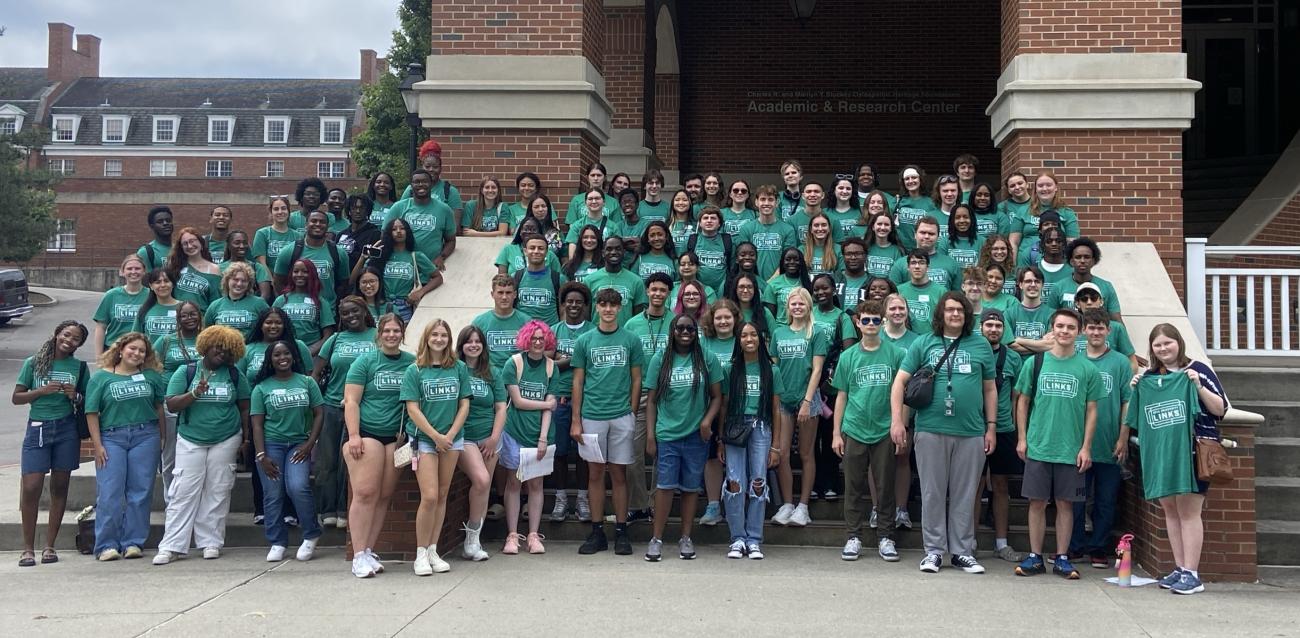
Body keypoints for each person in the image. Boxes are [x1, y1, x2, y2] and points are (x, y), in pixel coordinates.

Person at [891, 292, 998, 575]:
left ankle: (963, 552)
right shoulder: (923, 342)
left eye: (960, 311)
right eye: (949, 310)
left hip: (971, 430)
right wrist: (897, 422)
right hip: (930, 429)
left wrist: (991, 427)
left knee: (965, 493)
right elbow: (900, 382)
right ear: (941, 314)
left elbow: (990, 388)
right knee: (932, 492)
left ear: (967, 315)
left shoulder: (981, 345)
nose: (955, 315)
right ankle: (934, 551)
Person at [1127, 323, 1228, 595]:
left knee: (1188, 511)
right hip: (1162, 453)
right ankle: (1181, 568)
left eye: (1167, 343)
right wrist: (1136, 387)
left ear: (1178, 343)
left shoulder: (1197, 371)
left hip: (1193, 452)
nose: (1163, 349)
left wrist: (1196, 385)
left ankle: (1193, 574)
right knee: (1170, 511)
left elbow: (1221, 409)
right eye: (1158, 345)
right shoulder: (1149, 377)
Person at [1013, 308, 1103, 580]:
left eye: (1071, 327)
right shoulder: (1036, 363)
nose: (1065, 331)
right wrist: (1022, 438)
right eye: (1060, 326)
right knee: (1037, 503)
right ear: (1052, 329)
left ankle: (1062, 558)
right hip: (1039, 445)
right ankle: (1035, 556)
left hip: (1070, 449)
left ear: (1080, 333)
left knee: (1066, 504)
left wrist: (1086, 447)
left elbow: (1092, 410)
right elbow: (1023, 402)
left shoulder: (1087, 368)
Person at [153, 325, 251, 565]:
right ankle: (171, 546)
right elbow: (172, 405)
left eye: (229, 351)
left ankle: (210, 542)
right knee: (183, 490)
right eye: (219, 347)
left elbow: (245, 407)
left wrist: (246, 439)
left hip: (226, 437)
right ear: (206, 346)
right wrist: (194, 393)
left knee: (218, 490)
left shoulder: (235, 375)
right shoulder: (186, 372)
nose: (223, 354)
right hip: (191, 438)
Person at [571, 288, 646, 555]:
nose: (608, 309)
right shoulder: (585, 341)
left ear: (620, 307)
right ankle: (596, 531)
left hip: (621, 415)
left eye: (613, 305)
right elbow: (578, 380)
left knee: (619, 474)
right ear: (597, 308)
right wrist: (576, 420)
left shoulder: (631, 340)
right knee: (595, 474)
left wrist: (632, 411)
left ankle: (622, 532)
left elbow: (637, 378)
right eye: (603, 304)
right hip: (592, 416)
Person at [644, 314, 723, 561]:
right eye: (680, 328)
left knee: (690, 488)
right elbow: (652, 401)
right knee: (665, 487)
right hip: (667, 433)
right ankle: (656, 538)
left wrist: (707, 420)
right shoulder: (661, 358)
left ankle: (686, 537)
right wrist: (650, 434)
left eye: (690, 328)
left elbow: (717, 396)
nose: (686, 332)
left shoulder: (706, 358)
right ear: (673, 331)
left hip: (696, 435)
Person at [341, 313, 413, 578]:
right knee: (365, 492)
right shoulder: (366, 361)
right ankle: (357, 554)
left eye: (396, 331)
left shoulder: (411, 363)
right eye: (387, 331)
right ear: (379, 334)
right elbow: (351, 400)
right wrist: (354, 434)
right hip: (367, 433)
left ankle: (369, 549)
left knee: (383, 495)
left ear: (402, 334)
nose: (392, 335)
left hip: (395, 438)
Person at [832, 299, 904, 561]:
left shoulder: (896, 354)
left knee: (885, 486)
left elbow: (902, 393)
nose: (871, 324)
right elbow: (842, 395)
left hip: (885, 428)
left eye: (876, 320)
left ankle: (886, 537)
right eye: (866, 320)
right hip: (854, 427)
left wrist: (900, 426)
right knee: (853, 486)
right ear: (858, 322)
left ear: (883, 322)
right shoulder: (848, 356)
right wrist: (836, 433)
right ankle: (853, 536)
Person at [14, 321, 91, 566]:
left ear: (79, 344)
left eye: (75, 338)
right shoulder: (33, 362)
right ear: (57, 334)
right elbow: (16, 397)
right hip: (38, 426)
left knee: (60, 486)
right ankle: (27, 548)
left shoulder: (79, 367)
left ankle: (50, 546)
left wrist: (74, 395)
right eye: (66, 334)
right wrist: (41, 392)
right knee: (31, 487)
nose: (69, 340)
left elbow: (87, 400)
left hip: (66, 428)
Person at [83, 331, 165, 562]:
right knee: (110, 492)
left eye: (142, 351)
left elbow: (159, 407)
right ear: (120, 349)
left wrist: (162, 437)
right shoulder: (101, 378)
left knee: (140, 492)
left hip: (145, 435)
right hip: (112, 438)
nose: (137, 353)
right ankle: (106, 545)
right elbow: (91, 413)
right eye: (132, 348)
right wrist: (97, 446)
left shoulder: (151, 377)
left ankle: (133, 542)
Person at [401, 319, 472, 575]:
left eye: (444, 335)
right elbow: (412, 408)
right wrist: (436, 436)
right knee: (429, 496)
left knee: (442, 494)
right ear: (427, 338)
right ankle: (420, 553)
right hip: (425, 440)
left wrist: (450, 434)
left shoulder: (459, 368)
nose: (439, 339)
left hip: (453, 439)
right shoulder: (415, 371)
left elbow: (464, 404)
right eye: (435, 334)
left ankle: (433, 549)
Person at [1068, 308, 1133, 568]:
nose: (1095, 332)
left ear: (1109, 330)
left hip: (1108, 443)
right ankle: (1073, 548)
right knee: (1074, 500)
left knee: (1106, 501)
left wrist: (1123, 436)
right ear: (1084, 330)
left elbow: (1127, 401)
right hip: (1076, 444)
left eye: (1100, 327)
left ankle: (1098, 548)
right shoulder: (1075, 358)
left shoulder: (1119, 362)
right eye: (1091, 327)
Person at [250, 340, 324, 562]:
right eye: (276, 355)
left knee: (298, 487)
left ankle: (311, 534)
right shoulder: (261, 387)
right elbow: (257, 425)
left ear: (293, 357)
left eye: (286, 354)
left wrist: (310, 443)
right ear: (270, 360)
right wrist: (261, 455)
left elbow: (319, 413)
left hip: (298, 444)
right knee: (273, 494)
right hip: (271, 444)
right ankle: (277, 542)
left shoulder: (307, 382)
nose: (282, 358)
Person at [312, 296, 377, 531]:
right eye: (345, 313)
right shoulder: (335, 339)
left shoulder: (376, 336)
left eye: (354, 311)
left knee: (350, 461)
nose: (350, 316)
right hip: (332, 406)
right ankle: (328, 510)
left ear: (364, 311)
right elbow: (316, 374)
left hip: (363, 407)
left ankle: (344, 510)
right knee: (328, 460)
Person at [722, 321, 785, 559]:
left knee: (758, 482)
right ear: (738, 341)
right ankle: (737, 538)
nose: (749, 339)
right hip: (735, 427)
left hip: (761, 427)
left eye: (754, 335)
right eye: (744, 335)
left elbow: (776, 409)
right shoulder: (731, 369)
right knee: (734, 482)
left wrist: (776, 445)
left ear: (761, 339)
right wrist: (721, 439)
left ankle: (754, 538)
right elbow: (724, 406)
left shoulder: (771, 370)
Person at [499, 321, 558, 555]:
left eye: (541, 338)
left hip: (539, 434)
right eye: (533, 338)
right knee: (514, 483)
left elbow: (549, 410)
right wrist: (546, 403)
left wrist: (543, 438)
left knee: (536, 484)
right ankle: (512, 534)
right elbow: (519, 401)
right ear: (525, 338)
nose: (537, 342)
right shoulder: (513, 363)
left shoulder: (552, 367)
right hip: (515, 431)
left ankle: (533, 534)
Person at [770, 288, 829, 527]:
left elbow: (817, 369)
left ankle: (803, 506)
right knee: (782, 453)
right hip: (784, 398)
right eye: (793, 304)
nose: (797, 307)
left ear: (808, 306)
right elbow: (774, 368)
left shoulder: (816, 332)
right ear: (788, 308)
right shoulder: (778, 332)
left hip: (809, 398)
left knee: (806, 453)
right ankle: (787, 503)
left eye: (801, 304)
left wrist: (806, 401)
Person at [623, 272, 675, 523]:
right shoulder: (632, 324)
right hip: (641, 394)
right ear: (647, 291)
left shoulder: (677, 322)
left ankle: (656, 503)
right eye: (653, 289)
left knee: (663, 453)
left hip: (670, 396)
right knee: (633, 452)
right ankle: (638, 504)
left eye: (662, 290)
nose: (657, 294)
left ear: (668, 293)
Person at [976, 309, 1026, 562]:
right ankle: (968, 540)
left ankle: (1001, 542)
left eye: (998, 325)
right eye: (989, 325)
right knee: (972, 486)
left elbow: (1017, 397)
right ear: (981, 327)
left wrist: (1019, 432)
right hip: (973, 427)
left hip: (1004, 428)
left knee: (1000, 485)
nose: (993, 329)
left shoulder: (1014, 358)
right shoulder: (972, 351)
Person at [456, 325, 507, 560]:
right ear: (461, 345)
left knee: (483, 488)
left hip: (489, 437)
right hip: (464, 437)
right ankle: (470, 537)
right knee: (482, 479)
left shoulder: (492, 372)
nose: (474, 345)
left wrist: (494, 437)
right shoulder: (455, 369)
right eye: (469, 341)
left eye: (478, 341)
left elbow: (500, 408)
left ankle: (474, 540)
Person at [549, 283, 595, 523]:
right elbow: (545, 364)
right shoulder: (553, 331)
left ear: (586, 305)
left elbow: (588, 365)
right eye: (570, 301)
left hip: (585, 401)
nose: (574, 305)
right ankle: (560, 498)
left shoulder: (593, 331)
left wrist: (562, 359)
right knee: (558, 452)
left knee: (582, 454)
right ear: (563, 304)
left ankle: (582, 498)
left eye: (579, 302)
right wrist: (566, 361)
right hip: (558, 399)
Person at [153, 300, 203, 495]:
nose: (189, 318)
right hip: (170, 403)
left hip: (200, 404)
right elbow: (152, 368)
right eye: (184, 315)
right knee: (170, 456)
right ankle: (170, 500)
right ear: (178, 318)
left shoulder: (207, 339)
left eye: (193, 314)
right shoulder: (166, 341)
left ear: (199, 315)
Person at [697, 299, 738, 526]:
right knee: (712, 456)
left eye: (727, 317)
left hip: (738, 408)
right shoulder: (705, 343)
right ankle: (713, 505)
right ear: (712, 320)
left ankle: (736, 504)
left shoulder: (742, 341)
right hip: (710, 407)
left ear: (735, 319)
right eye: (719, 317)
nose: (723, 321)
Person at [369, 218, 440, 323]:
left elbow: (438, 277)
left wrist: (420, 292)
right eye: (394, 229)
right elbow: (363, 276)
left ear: (408, 232)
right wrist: (367, 256)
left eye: (402, 228)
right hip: (382, 304)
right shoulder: (382, 255)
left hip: (405, 305)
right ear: (389, 233)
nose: (398, 231)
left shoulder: (416, 256)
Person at [274, 210, 351, 307]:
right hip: (297, 314)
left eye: (322, 222)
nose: (318, 224)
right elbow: (278, 282)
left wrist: (333, 305)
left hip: (329, 312)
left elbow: (343, 284)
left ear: (327, 227)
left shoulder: (339, 253)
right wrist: (290, 304)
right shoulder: (289, 251)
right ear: (306, 225)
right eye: (313, 221)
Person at [384, 170, 457, 270]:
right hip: (403, 268)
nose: (421, 184)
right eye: (416, 182)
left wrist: (442, 257)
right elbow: (384, 235)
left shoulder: (444, 210)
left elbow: (451, 240)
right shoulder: (398, 207)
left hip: (431, 268)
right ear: (411, 185)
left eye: (425, 181)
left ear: (431, 184)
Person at [273, 259, 336, 356]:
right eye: (296, 271)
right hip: (284, 353)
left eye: (305, 271)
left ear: (312, 274)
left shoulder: (321, 302)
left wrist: (309, 352)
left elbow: (328, 334)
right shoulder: (281, 300)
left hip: (313, 353)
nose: (299, 274)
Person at [580, 236, 648, 326]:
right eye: (609, 249)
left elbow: (638, 316)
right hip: (596, 336)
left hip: (625, 336)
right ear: (603, 253)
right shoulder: (589, 281)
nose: (613, 252)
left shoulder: (636, 281)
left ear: (624, 252)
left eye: (618, 249)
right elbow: (585, 315)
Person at [1047, 238, 1122, 319]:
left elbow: (1117, 322)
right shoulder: (1059, 287)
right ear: (1071, 261)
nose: (1082, 261)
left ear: (1093, 261)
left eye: (1087, 257)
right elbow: (1051, 320)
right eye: (1078, 257)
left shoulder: (1106, 287)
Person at [1010, 172, 1081, 257]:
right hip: (1025, 262)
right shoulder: (1023, 211)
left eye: (1049, 185)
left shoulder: (1067, 213)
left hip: (1056, 261)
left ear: (1056, 188)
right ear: (1035, 189)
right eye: (1040, 186)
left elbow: (1072, 243)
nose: (1044, 188)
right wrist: (1013, 267)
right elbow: (1013, 243)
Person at [736, 185, 798, 280]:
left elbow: (788, 260)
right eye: (763, 199)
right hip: (752, 281)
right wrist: (757, 282)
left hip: (779, 281)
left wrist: (771, 282)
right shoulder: (746, 229)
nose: (766, 203)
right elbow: (743, 260)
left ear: (777, 202)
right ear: (756, 202)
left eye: (770, 199)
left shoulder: (788, 229)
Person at [472, 274, 530, 373]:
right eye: (500, 292)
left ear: (515, 294)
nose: (504, 297)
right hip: (490, 377)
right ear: (492, 294)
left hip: (518, 377)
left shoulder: (527, 322)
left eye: (508, 292)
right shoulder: (479, 322)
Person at [93, 254, 149, 355]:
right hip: (113, 350)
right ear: (122, 272)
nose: (133, 272)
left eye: (137, 268)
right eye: (129, 269)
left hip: (140, 352)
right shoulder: (111, 295)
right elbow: (101, 327)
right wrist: (98, 357)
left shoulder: (151, 296)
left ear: (144, 271)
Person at [889, 216, 961, 291]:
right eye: (923, 233)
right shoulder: (900, 264)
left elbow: (957, 296)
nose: (927, 236)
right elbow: (893, 296)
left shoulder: (951, 264)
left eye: (931, 234)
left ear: (938, 237)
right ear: (915, 235)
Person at [204, 262, 270, 341]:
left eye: (244, 281)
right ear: (227, 280)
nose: (239, 284)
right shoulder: (215, 305)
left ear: (249, 284)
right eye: (235, 279)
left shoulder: (259, 304)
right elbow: (207, 333)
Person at [164, 227, 222, 312]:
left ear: (200, 242)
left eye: (192, 241)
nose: (189, 246)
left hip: (201, 319)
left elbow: (216, 302)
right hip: (177, 318)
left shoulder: (214, 269)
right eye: (185, 243)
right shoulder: (175, 266)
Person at [514, 234, 565, 326]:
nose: (536, 251)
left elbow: (563, 311)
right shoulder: (515, 277)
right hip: (522, 333)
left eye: (541, 248)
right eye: (532, 248)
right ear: (525, 251)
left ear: (546, 252)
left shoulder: (558, 279)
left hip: (549, 334)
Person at [896, 250, 950, 336]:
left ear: (928, 267)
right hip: (905, 338)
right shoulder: (899, 291)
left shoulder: (941, 291)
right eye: (913, 263)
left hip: (932, 339)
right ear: (908, 267)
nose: (917, 266)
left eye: (921, 263)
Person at [1005, 265, 1055, 355]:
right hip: (1016, 365)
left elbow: (1052, 345)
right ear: (1020, 285)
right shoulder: (1009, 313)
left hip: (1043, 366)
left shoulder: (1053, 315)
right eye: (1028, 281)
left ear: (1042, 285)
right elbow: (1009, 345)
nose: (1033, 285)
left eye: (1037, 281)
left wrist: (1019, 340)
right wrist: (1040, 345)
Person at [496, 216, 563, 276]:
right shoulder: (508, 249)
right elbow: (502, 279)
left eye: (533, 229)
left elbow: (558, 278)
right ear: (520, 231)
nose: (529, 232)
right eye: (526, 229)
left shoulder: (550, 254)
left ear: (539, 232)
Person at [567, 188, 623, 258]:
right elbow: (572, 256)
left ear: (604, 202)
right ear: (585, 203)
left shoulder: (613, 226)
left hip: (605, 266)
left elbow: (619, 250)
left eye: (597, 198)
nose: (594, 201)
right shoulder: (577, 226)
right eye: (590, 199)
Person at [220, 230, 274, 302]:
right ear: (229, 245)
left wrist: (252, 307)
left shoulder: (257, 267)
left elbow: (265, 295)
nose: (242, 246)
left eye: (245, 243)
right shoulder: (219, 268)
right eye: (237, 243)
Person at [895, 166, 939, 253]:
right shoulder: (898, 201)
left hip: (924, 250)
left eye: (914, 177)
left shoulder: (931, 203)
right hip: (902, 250)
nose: (910, 181)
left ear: (920, 179)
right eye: (907, 179)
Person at [764, 247, 813, 324]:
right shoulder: (773, 284)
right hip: (781, 328)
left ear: (801, 263)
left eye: (796, 259)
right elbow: (770, 316)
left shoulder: (807, 283)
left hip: (803, 328)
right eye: (788, 259)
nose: (792, 262)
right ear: (782, 263)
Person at [132, 269, 182, 344]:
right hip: (152, 355)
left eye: (166, 281)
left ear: (173, 284)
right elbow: (134, 338)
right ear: (151, 286)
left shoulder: (184, 307)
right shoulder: (144, 310)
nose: (162, 285)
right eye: (158, 282)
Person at [565, 162, 618, 229]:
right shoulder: (577, 200)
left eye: (599, 175)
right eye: (592, 175)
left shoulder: (613, 202)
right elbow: (572, 225)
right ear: (587, 177)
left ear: (604, 178)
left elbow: (617, 227)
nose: (596, 178)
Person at [254, 196, 302, 270]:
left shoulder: (298, 236)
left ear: (288, 211)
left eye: (283, 208)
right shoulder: (262, 234)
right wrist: (272, 281)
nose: (280, 212)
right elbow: (261, 263)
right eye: (276, 209)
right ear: (271, 212)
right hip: (268, 279)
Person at [336, 194, 382, 270]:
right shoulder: (341, 234)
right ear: (349, 211)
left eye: (362, 208)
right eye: (354, 208)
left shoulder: (375, 234)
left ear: (368, 211)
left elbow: (373, 263)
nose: (358, 211)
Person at [726, 271, 776, 342]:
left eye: (749, 287)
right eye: (741, 287)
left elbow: (775, 338)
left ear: (755, 290)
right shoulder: (728, 313)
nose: (745, 290)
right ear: (735, 290)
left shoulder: (765, 312)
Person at [864, 206, 904, 279]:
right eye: (879, 224)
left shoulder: (897, 251)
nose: (882, 228)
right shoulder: (865, 248)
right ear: (873, 227)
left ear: (891, 228)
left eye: (886, 225)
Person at [941, 204, 984, 268]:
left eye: (965, 217)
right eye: (957, 217)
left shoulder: (983, 242)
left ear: (972, 219)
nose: (962, 221)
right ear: (952, 221)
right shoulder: (944, 242)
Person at [836, 238, 871, 308]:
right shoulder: (833, 279)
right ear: (843, 257)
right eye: (848, 254)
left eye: (858, 254)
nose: (853, 257)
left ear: (865, 256)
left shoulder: (872, 282)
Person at [802, 213, 841, 277]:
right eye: (816, 225)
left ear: (829, 229)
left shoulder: (838, 250)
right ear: (811, 229)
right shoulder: (802, 250)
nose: (820, 229)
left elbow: (841, 277)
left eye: (824, 225)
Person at [137, 205, 174, 271]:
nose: (165, 223)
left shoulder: (181, 248)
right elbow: (145, 280)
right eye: (160, 221)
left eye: (168, 220)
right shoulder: (145, 252)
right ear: (152, 226)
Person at [930, 175, 961, 240]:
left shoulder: (964, 217)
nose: (949, 194)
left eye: (953, 190)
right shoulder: (930, 216)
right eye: (945, 191)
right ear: (939, 192)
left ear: (958, 192)